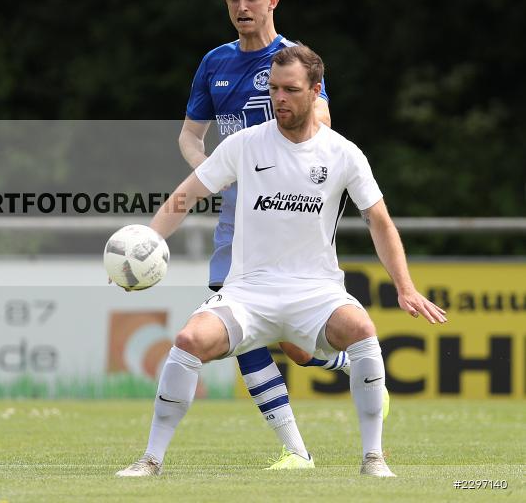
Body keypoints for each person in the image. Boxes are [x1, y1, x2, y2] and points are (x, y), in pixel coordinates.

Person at [118, 45, 447, 478]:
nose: (279, 99)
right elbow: (186, 196)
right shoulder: (244, 144)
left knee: (364, 331)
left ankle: (374, 458)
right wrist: (142, 247)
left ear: (315, 91)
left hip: (316, 293)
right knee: (187, 341)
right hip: (248, 292)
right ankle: (151, 460)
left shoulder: (343, 153)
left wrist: (405, 287)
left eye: (290, 89)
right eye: (273, 89)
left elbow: (380, 222)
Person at [178, 0, 355, 468]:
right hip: (238, 221)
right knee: (236, 328)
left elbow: (320, 120)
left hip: (290, 215)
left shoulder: (292, 60)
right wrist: (213, 170)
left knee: (300, 347)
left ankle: (356, 362)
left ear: (272, 1)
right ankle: (296, 451)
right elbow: (190, 136)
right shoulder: (215, 63)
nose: (241, 6)